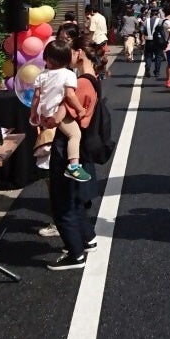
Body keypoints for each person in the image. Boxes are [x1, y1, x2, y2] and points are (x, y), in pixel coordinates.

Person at [43, 34, 102, 269]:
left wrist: (46, 119)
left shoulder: (82, 83)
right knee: (74, 197)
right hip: (80, 145)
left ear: (78, 53)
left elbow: (64, 112)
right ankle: (87, 238)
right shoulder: (90, 78)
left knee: (62, 202)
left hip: (66, 146)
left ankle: (75, 254)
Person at [31, 39, 91, 182]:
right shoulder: (68, 74)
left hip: (45, 113)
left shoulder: (41, 75)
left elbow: (36, 97)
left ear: (47, 59)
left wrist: (33, 113)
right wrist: (80, 109)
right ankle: (74, 166)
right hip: (59, 114)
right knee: (74, 135)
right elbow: (70, 95)